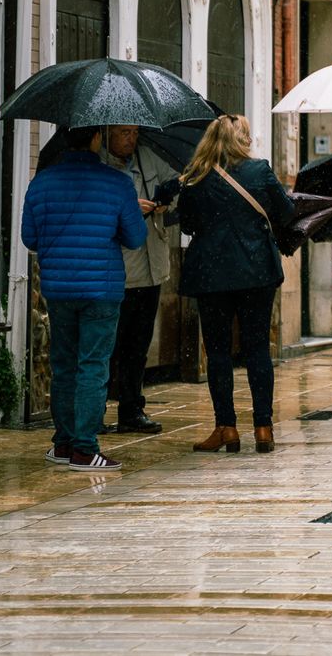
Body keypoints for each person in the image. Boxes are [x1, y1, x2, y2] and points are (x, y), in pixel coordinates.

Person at [21, 126, 146, 472]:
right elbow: (135, 238)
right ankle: (85, 449)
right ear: (96, 139)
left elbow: (30, 237)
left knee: (63, 365)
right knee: (92, 365)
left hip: (58, 288)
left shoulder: (41, 183)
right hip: (101, 290)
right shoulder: (117, 183)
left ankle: (63, 443)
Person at [177, 114, 294, 454]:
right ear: (242, 139)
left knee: (217, 352)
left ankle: (226, 428)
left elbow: (186, 224)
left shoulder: (195, 177)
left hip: (211, 276)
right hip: (256, 272)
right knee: (257, 349)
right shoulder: (260, 171)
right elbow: (286, 213)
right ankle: (263, 427)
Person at [100, 124, 179, 436]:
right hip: (119, 271)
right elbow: (98, 210)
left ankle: (132, 409)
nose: (130, 139)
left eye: (134, 132)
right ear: (107, 133)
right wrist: (130, 209)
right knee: (110, 346)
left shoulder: (147, 157)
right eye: (124, 133)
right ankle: (96, 411)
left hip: (152, 267)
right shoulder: (99, 166)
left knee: (138, 346)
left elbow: (176, 182)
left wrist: (166, 201)